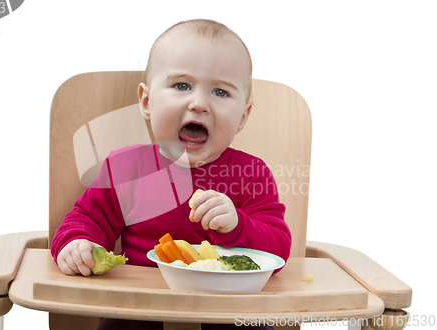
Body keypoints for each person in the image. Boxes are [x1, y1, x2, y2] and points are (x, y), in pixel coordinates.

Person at [51, 19, 292, 329]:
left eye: (220, 91)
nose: (199, 103)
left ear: (242, 117)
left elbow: (278, 250)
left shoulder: (251, 174)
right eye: (182, 86)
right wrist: (78, 244)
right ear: (147, 102)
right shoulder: (125, 169)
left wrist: (237, 226)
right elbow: (86, 219)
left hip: (228, 304)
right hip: (138, 306)